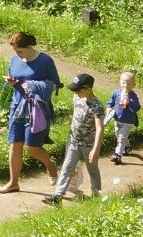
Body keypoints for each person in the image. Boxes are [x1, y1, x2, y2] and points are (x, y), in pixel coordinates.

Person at [1, 32, 61, 193]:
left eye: (19, 51)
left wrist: (34, 85)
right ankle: (13, 183)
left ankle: (50, 165)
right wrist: (11, 81)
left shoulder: (45, 61)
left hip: (36, 109)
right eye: (15, 51)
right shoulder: (15, 59)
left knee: (33, 147)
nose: (17, 54)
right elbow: (13, 76)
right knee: (15, 144)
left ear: (28, 47)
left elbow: (56, 85)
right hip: (17, 107)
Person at [46, 74, 108, 202]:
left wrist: (96, 150)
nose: (76, 93)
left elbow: (100, 128)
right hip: (74, 140)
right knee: (67, 167)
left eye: (79, 90)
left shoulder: (97, 107)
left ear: (88, 88)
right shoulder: (77, 98)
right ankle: (57, 196)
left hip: (89, 145)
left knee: (93, 170)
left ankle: (96, 195)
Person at [108, 69, 143, 161]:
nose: (126, 85)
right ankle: (127, 147)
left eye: (129, 84)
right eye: (123, 83)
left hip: (127, 120)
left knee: (121, 138)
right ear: (120, 82)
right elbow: (111, 101)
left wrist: (129, 101)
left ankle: (117, 155)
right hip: (117, 118)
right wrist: (109, 108)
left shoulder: (133, 96)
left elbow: (137, 108)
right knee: (118, 134)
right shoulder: (116, 92)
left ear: (134, 85)